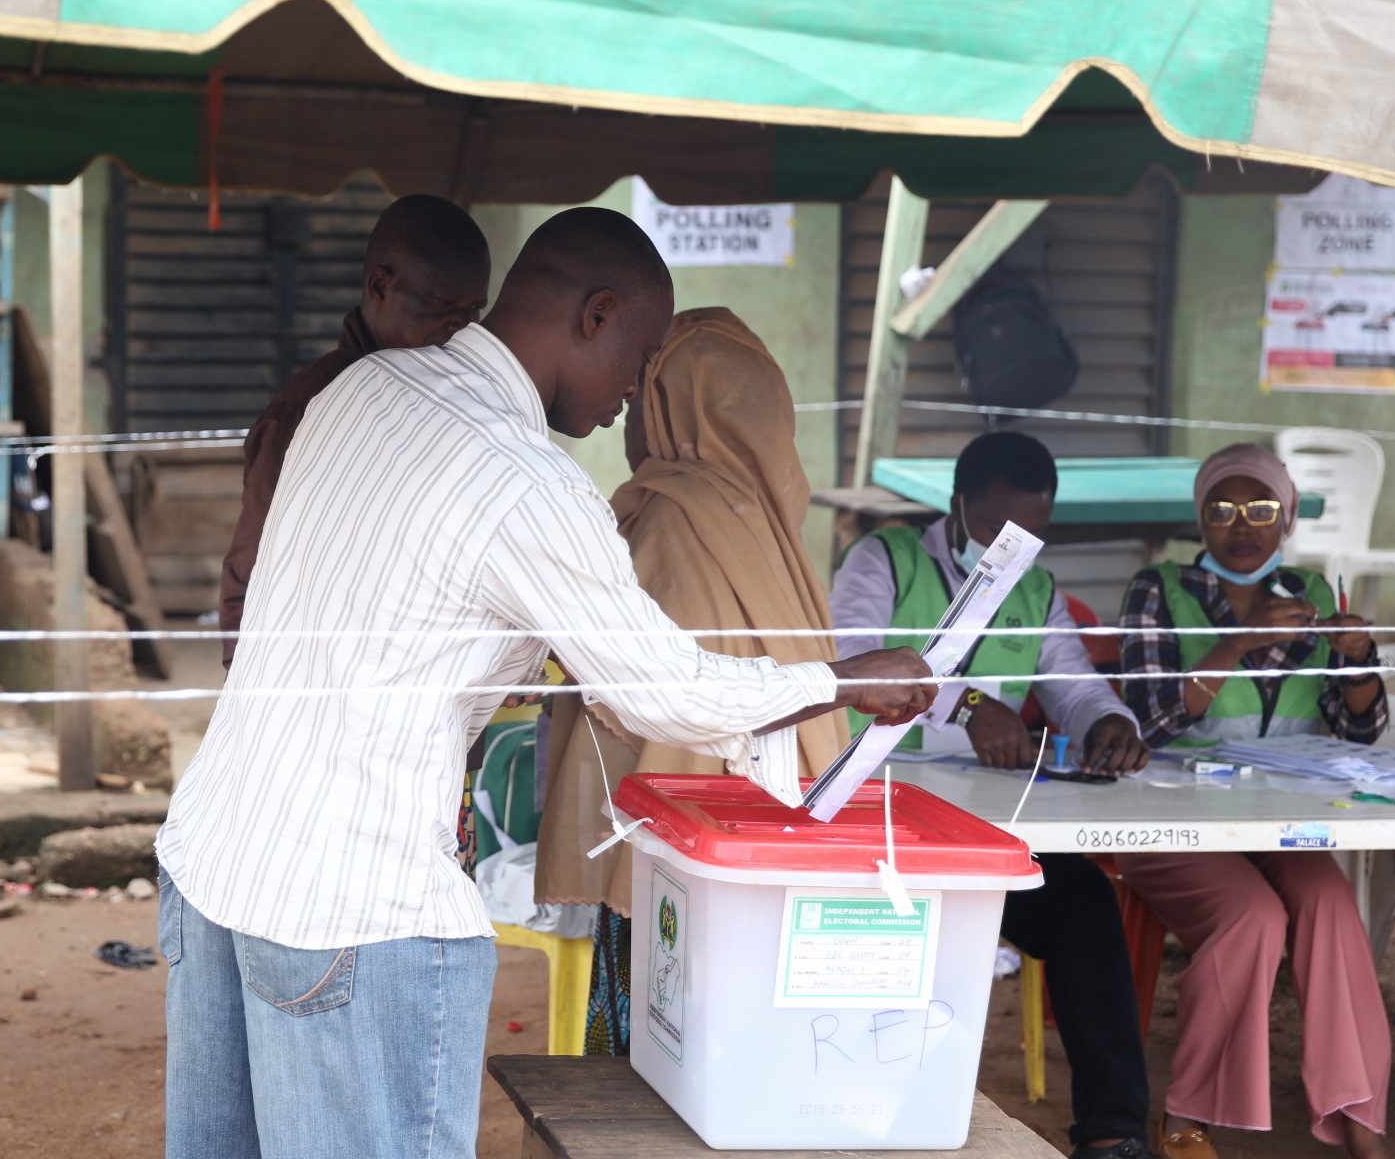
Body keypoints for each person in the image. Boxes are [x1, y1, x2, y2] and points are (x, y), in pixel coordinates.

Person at [154, 207, 937, 1159]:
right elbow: (665, 692)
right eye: (641, 358)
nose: (631, 399)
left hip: (214, 865)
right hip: (351, 908)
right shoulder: (529, 480)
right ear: (597, 315)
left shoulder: (364, 390)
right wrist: (842, 681)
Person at [829, 430, 1154, 1159]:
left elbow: (1070, 679)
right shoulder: (881, 560)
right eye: (998, 530)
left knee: (1082, 904)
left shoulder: (1035, 587)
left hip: (980, 826)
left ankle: (1114, 1132)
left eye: (1032, 533)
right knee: (919, 937)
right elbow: (852, 657)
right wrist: (969, 706)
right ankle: (875, 1123)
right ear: (956, 505)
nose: (1013, 547)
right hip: (876, 822)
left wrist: (1108, 719)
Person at [534, 307, 844, 1056]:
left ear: (673, 408)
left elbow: (616, 687)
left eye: (640, 398)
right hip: (770, 848)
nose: (626, 419)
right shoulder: (775, 533)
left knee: (648, 1048)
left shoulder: (662, 519)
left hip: (666, 847)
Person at [1115, 444, 1389, 1159]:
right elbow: (1144, 721)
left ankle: (1359, 1117)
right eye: (1223, 509)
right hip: (1168, 817)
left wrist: (1356, 653)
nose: (1242, 525)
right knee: (1251, 916)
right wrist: (1237, 644)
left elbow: (1361, 727)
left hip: (1280, 815)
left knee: (1329, 907)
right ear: (1200, 519)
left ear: (1287, 518)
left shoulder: (1314, 595)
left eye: (1261, 509)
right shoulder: (1157, 589)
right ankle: (1189, 1113)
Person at [215, 194, 491, 668]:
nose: (459, 329)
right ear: (379, 286)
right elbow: (252, 571)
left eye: (473, 311)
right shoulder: (305, 411)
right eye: (442, 305)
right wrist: (251, 689)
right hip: (327, 695)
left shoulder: (464, 407)